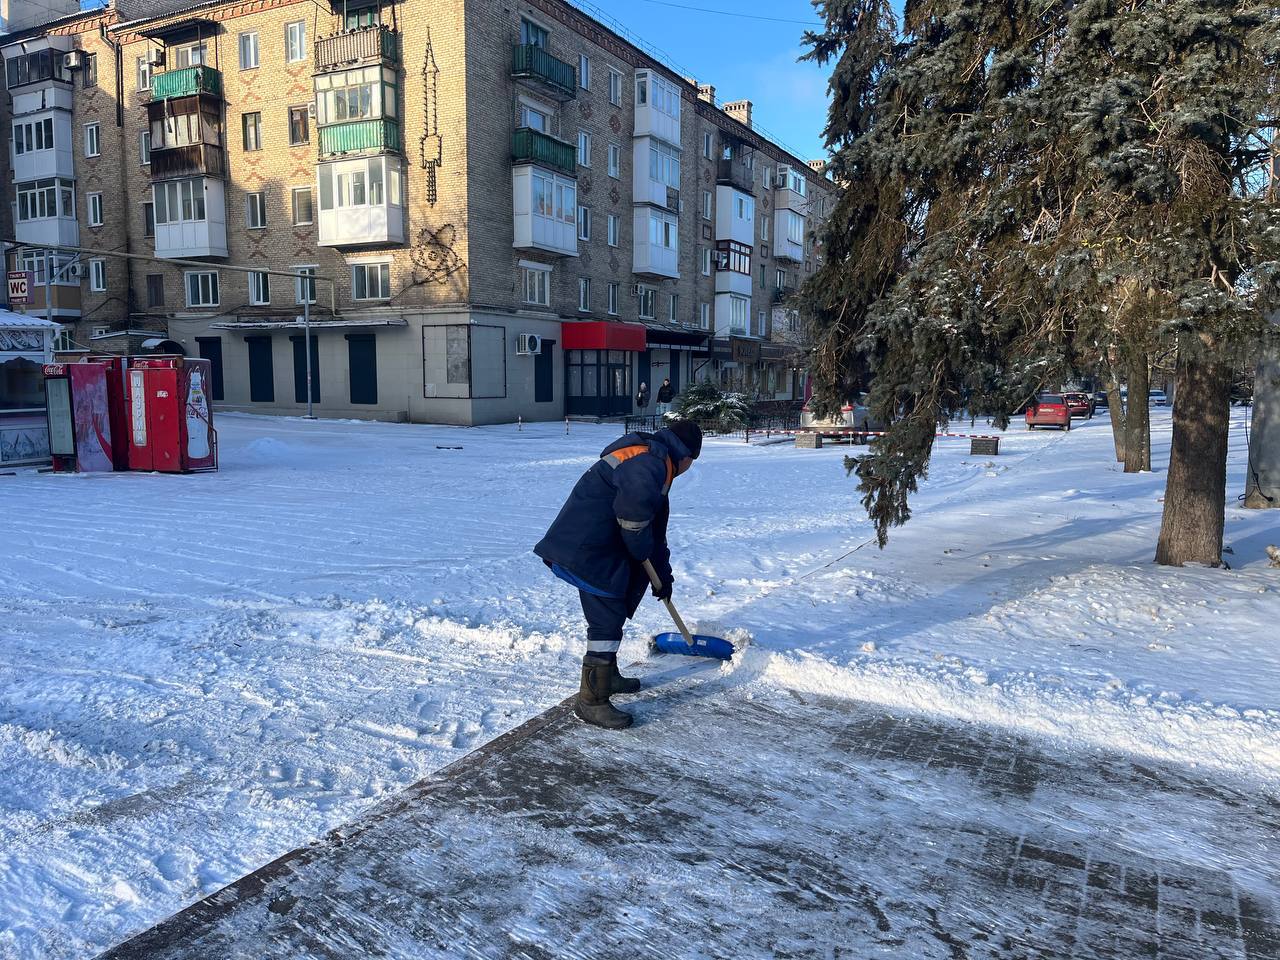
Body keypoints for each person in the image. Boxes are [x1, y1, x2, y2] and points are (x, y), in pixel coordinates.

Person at [534, 421, 704, 729]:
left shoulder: (656, 461)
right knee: (606, 621)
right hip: (587, 550)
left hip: (598, 547)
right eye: (693, 461)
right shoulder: (648, 463)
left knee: (612, 614)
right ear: (687, 456)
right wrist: (643, 555)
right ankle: (591, 701)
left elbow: (654, 533)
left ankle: (608, 677)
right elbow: (635, 523)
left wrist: (663, 577)